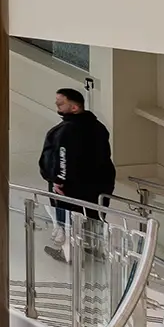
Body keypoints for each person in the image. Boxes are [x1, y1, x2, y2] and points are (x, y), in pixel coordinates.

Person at [38, 86, 115, 261]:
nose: (56, 104)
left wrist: (58, 180)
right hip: (101, 182)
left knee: (67, 218)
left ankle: (69, 254)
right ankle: (96, 247)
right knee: (95, 214)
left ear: (74, 107)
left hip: (72, 185)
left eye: (61, 102)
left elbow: (62, 158)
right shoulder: (98, 126)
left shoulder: (66, 130)